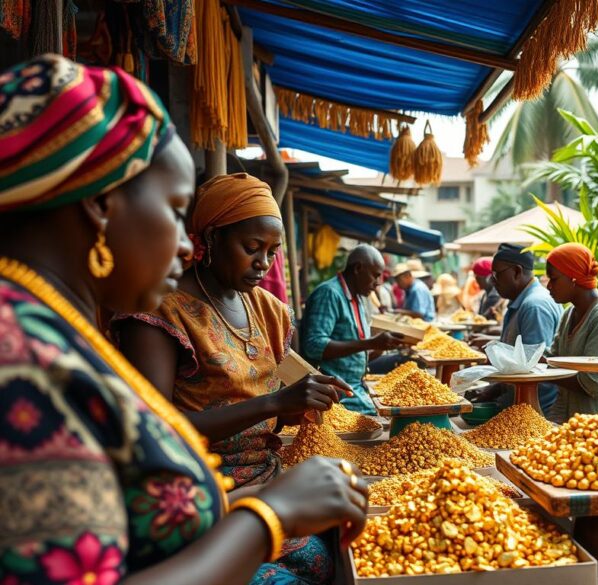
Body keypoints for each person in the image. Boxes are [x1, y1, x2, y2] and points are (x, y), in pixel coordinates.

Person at [0, 54, 366, 585]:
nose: (182, 244)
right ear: (102, 204)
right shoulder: (20, 363)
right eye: (175, 212)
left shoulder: (52, 331)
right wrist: (268, 516)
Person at [116, 173, 353, 582]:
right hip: (198, 494)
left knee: (340, 545)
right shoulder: (160, 312)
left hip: (267, 477)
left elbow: (272, 409)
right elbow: (154, 434)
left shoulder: (269, 311)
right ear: (209, 240)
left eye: (272, 251)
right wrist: (276, 402)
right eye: (251, 248)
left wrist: (305, 401)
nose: (263, 263)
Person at [300, 245, 407, 414]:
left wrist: (378, 347)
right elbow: (314, 346)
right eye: (375, 275)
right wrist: (370, 343)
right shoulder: (329, 294)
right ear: (358, 268)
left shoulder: (359, 298)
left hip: (357, 386)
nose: (378, 283)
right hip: (336, 394)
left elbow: (354, 352)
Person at [470, 243, 562, 414]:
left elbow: (532, 367)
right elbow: (519, 352)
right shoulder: (520, 301)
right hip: (517, 404)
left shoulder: (535, 306)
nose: (492, 281)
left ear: (517, 272)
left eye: (497, 274)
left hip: (534, 411)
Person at [545, 244, 598, 423]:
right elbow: (552, 358)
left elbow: (594, 384)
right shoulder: (569, 313)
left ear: (573, 277)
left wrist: (547, 367)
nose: (549, 287)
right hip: (568, 417)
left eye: (554, 279)